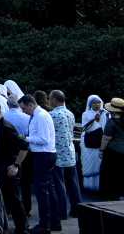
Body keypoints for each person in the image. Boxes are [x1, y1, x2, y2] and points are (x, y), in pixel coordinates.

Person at [18, 94, 60, 233]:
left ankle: (44, 226)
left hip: (43, 154)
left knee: (42, 192)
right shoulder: (39, 115)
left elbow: (43, 139)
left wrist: (26, 138)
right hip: (45, 154)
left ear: (30, 104)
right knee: (48, 190)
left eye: (24, 109)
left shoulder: (41, 116)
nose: (23, 111)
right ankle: (53, 222)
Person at [0, 101, 30, 234]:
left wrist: (16, 165)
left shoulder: (5, 126)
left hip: (10, 168)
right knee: (11, 199)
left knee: (15, 199)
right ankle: (18, 227)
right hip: (4, 167)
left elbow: (24, 146)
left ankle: (23, 228)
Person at [47, 90, 79, 220]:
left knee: (59, 185)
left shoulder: (52, 115)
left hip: (58, 154)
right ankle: (77, 209)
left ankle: (61, 212)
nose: (49, 101)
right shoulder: (70, 113)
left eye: (50, 98)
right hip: (70, 153)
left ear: (55, 99)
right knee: (73, 184)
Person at [81, 95, 107, 193]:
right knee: (89, 165)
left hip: (100, 144)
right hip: (89, 145)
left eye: (98, 102)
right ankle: (89, 187)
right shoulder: (86, 114)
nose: (97, 104)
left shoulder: (105, 113)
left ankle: (98, 187)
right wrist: (94, 120)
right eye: (94, 103)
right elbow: (85, 128)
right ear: (90, 104)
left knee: (98, 165)